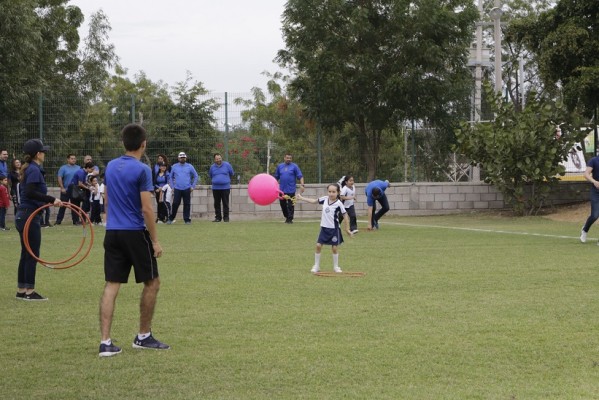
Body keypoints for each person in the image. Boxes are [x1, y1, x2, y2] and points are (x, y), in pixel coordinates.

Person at [99, 123, 169, 357]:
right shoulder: (141, 170)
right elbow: (147, 209)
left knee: (112, 284)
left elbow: (107, 199)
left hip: (113, 232)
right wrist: (156, 241)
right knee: (152, 283)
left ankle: (105, 343)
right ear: (143, 144)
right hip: (134, 233)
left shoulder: (110, 166)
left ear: (123, 143)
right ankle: (143, 336)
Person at [15, 139, 62, 301]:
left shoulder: (31, 169)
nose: (45, 154)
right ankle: (29, 291)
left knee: (26, 253)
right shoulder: (34, 170)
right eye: (43, 151)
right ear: (37, 154)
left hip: (23, 215)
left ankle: (22, 289)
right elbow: (30, 192)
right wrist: (51, 199)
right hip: (29, 215)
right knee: (32, 254)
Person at [296, 183, 352, 274]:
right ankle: (316, 266)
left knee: (334, 248)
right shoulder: (325, 199)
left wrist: (347, 229)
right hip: (324, 228)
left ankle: (336, 267)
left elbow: (345, 215)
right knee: (318, 246)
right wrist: (302, 198)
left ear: (338, 193)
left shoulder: (339, 203)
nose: (331, 193)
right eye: (329, 191)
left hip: (334, 229)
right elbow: (314, 201)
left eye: (333, 192)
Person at [167, 151, 198, 225]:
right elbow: (170, 177)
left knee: (187, 204)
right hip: (177, 188)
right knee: (175, 204)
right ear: (178, 158)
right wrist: (172, 187)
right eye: (181, 157)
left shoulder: (190, 166)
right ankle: (171, 218)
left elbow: (196, 176)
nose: (182, 159)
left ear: (186, 158)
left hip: (187, 188)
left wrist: (192, 186)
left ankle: (187, 220)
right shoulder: (174, 166)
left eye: (183, 157)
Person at [274, 153, 304, 224]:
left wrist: (302, 185)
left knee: (291, 205)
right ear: (284, 158)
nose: (289, 159)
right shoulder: (280, 166)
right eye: (287, 158)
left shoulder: (294, 166)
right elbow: (276, 177)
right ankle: (287, 217)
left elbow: (300, 176)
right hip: (281, 190)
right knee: (283, 205)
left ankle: (290, 219)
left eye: (290, 158)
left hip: (291, 190)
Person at [209, 153, 234, 222]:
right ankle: (218, 218)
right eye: (217, 159)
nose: (218, 160)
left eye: (219, 158)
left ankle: (226, 218)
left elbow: (231, 173)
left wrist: (225, 180)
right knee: (217, 204)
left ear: (221, 158)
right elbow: (211, 175)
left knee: (225, 203)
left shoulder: (227, 165)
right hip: (215, 188)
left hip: (225, 188)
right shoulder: (212, 167)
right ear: (214, 160)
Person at [55, 154, 80, 225]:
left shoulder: (78, 168)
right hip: (65, 190)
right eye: (72, 158)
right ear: (68, 159)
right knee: (62, 205)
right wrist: (62, 188)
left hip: (75, 190)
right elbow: (59, 177)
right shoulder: (63, 168)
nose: (73, 160)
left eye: (74, 158)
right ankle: (58, 221)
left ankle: (76, 221)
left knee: (75, 206)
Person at [581, 155, 599, 243]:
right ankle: (585, 230)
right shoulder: (594, 160)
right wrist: (594, 182)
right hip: (595, 192)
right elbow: (586, 174)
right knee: (595, 215)